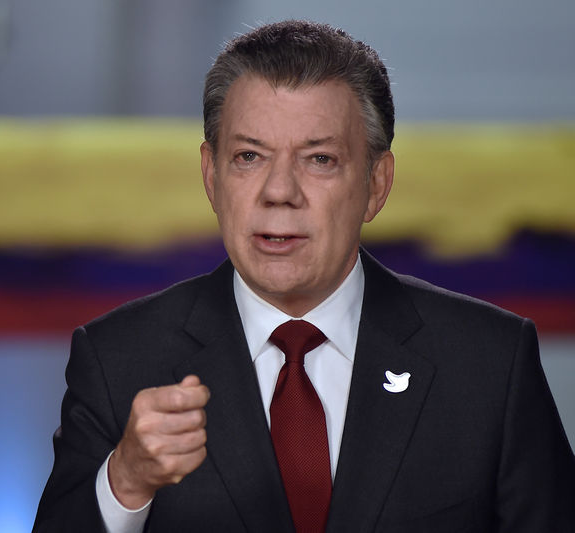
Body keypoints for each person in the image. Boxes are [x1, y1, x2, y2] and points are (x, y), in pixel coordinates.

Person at [33, 20, 575, 532]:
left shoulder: (489, 362)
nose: (279, 192)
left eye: (318, 159)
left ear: (377, 183)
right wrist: (125, 481)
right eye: (249, 156)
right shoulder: (118, 358)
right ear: (211, 175)